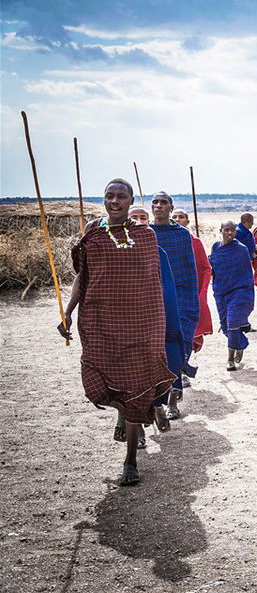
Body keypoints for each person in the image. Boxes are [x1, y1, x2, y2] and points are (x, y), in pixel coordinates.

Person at [58, 179, 175, 486]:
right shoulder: (93, 235)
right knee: (96, 386)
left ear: (130, 200)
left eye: (120, 196)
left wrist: (156, 327)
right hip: (101, 322)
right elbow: (83, 277)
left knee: (135, 385)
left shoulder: (145, 236)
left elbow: (153, 286)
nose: (114, 201)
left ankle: (130, 461)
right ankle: (131, 409)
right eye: (109, 196)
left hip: (139, 323)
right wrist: (68, 311)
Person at [129, 207, 183, 448]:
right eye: (134, 217)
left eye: (144, 218)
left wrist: (170, 330)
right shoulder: (111, 252)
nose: (139, 222)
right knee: (129, 377)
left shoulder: (158, 253)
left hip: (154, 324)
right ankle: (136, 425)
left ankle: (157, 405)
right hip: (124, 324)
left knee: (159, 367)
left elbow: (168, 295)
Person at [150, 192, 199, 419]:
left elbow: (190, 273)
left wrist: (190, 307)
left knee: (176, 351)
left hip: (180, 301)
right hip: (153, 302)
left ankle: (172, 402)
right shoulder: (145, 235)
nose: (158, 206)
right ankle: (157, 403)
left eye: (163, 203)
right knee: (156, 354)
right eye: (155, 202)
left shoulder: (181, 236)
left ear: (171, 207)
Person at [210, 221, 256, 371]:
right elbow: (213, 265)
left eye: (233, 231)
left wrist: (246, 293)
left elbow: (247, 274)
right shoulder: (216, 247)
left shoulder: (241, 249)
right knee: (226, 327)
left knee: (233, 322)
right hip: (221, 292)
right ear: (221, 230)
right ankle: (240, 343)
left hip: (239, 292)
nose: (230, 233)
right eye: (226, 230)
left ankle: (230, 359)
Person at [171, 209, 213, 360]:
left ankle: (183, 369)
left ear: (187, 222)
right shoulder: (160, 239)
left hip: (189, 295)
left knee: (187, 333)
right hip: (169, 294)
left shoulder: (195, 242)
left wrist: (201, 294)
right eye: (174, 217)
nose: (177, 219)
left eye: (181, 217)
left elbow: (205, 268)